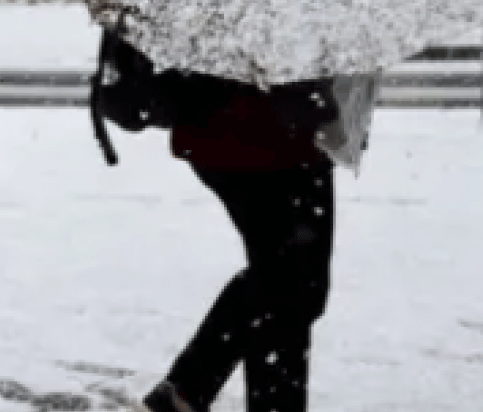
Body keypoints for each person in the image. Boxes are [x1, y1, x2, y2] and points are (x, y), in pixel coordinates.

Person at [90, 27, 376, 412]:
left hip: (277, 129)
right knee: (288, 287)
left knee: (290, 284)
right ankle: (193, 392)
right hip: (247, 129)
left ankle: (185, 391)